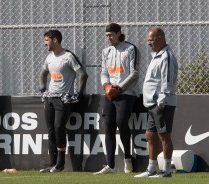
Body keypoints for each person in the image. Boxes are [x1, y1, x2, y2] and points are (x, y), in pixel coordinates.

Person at [39, 29, 88, 173]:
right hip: (50, 99)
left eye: (47, 40)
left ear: (55, 40)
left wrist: (78, 94)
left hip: (64, 99)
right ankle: (52, 164)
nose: (45, 44)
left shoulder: (68, 56)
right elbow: (42, 74)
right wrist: (43, 90)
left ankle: (60, 164)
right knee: (51, 131)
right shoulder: (49, 57)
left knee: (59, 127)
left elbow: (83, 75)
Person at [94, 23, 140, 175]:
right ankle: (110, 166)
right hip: (110, 93)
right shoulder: (106, 51)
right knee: (108, 126)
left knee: (121, 122)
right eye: (106, 36)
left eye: (111, 35)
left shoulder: (130, 48)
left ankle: (128, 158)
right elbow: (103, 72)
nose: (108, 38)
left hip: (126, 92)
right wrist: (107, 86)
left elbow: (134, 74)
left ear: (119, 33)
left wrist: (119, 88)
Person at [134, 27, 178, 178]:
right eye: (148, 40)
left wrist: (161, 103)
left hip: (162, 103)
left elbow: (167, 81)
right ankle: (151, 168)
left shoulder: (167, 56)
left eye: (151, 40)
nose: (149, 43)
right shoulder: (157, 56)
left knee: (164, 136)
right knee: (150, 135)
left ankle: (166, 171)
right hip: (152, 103)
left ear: (160, 38)